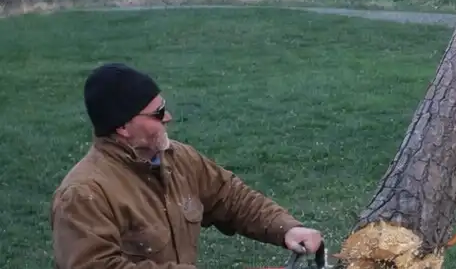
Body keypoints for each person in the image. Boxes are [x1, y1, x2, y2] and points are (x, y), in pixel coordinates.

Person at [51, 62, 325, 269]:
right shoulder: (83, 195)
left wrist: (286, 227)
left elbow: (231, 197)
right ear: (123, 126)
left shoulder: (179, 159)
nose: (168, 117)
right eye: (158, 113)